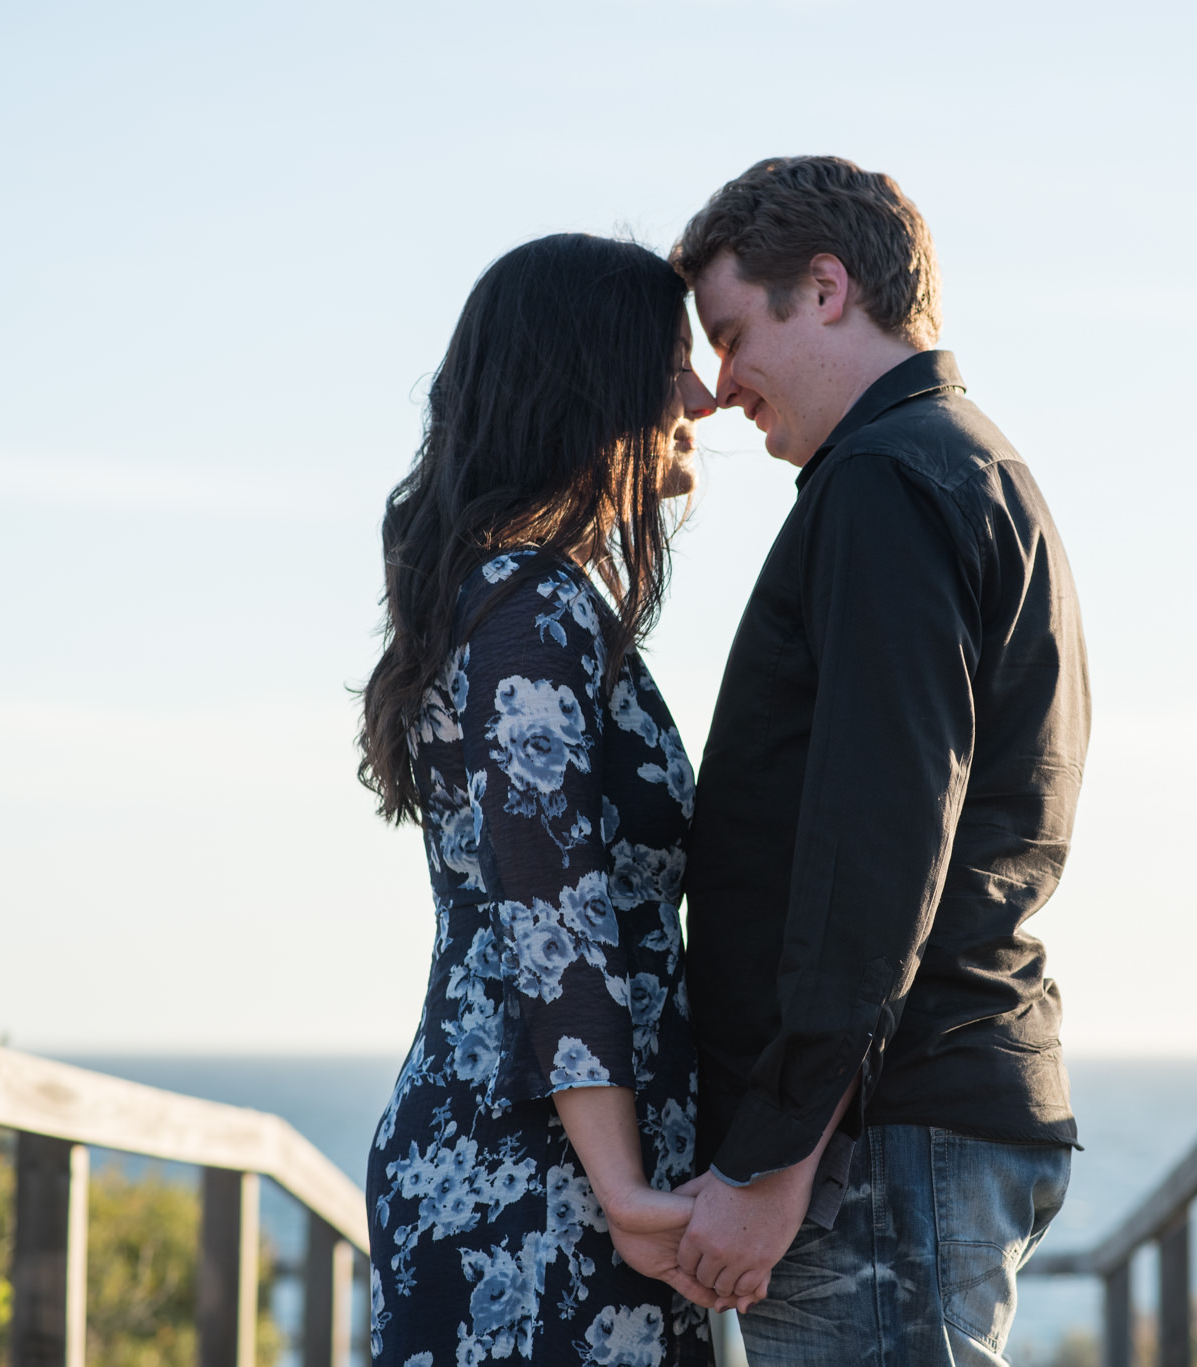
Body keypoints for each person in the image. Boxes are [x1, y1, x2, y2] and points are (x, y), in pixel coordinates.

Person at [669, 157, 1092, 1366]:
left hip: (878, 1136)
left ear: (824, 286)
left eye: (731, 333)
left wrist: (773, 1157)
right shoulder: (961, 461)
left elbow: (878, 842)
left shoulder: (884, 480)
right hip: (915, 1114)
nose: (716, 387)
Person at [357, 233, 722, 1367]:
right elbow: (551, 912)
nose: (703, 397)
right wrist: (623, 1186)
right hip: (539, 1188)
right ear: (590, 385)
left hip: (539, 1159)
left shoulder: (515, 597)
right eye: (671, 367)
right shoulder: (529, 611)